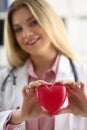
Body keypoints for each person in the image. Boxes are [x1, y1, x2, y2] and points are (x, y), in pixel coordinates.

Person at [0, 0, 87, 129]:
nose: (26, 34)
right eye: (18, 29)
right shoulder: (4, 79)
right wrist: (18, 116)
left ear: (51, 22)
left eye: (33, 22)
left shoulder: (83, 73)